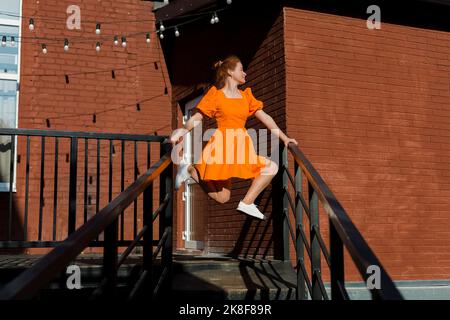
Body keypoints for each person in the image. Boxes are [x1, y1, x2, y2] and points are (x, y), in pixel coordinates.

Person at [169, 55, 298, 220]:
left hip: (241, 146)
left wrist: (285, 138)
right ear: (230, 71)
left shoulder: (246, 97)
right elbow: (196, 118)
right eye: (241, 69)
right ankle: (245, 202)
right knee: (270, 167)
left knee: (224, 198)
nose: (245, 73)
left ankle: (190, 170)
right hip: (222, 146)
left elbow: (266, 118)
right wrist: (182, 131)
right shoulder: (215, 95)